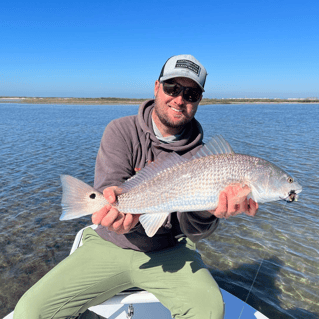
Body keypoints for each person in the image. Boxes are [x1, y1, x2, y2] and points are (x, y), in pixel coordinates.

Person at [13, 54, 258, 319]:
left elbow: (193, 232)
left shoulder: (203, 156)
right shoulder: (120, 130)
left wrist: (209, 211)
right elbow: (110, 185)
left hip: (170, 250)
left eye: (191, 93)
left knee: (210, 310)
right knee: (30, 311)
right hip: (111, 243)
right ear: (156, 87)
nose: (179, 99)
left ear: (199, 100)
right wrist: (114, 204)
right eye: (172, 88)